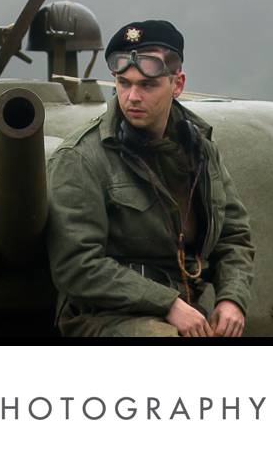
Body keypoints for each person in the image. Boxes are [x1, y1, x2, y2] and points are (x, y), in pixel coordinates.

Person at [45, 19, 254, 338]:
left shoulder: (199, 149)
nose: (132, 97)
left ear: (177, 84)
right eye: (123, 83)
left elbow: (233, 236)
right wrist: (168, 304)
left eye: (147, 85)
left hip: (186, 309)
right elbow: (77, 266)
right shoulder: (81, 157)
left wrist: (232, 299)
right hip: (102, 316)